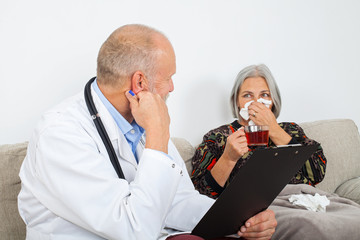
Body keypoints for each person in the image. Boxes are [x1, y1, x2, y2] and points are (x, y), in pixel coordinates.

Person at [18, 25, 276, 240]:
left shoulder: (142, 122)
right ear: (140, 83)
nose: (172, 87)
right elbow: (133, 229)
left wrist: (241, 221)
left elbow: (178, 201)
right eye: (169, 77)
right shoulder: (60, 134)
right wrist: (157, 134)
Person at [191, 64, 360, 239]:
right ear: (236, 101)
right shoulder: (218, 137)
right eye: (248, 95)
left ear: (273, 101)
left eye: (264, 95)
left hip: (309, 199)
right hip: (265, 209)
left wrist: (274, 129)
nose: (256, 102)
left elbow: (317, 171)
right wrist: (228, 158)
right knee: (315, 227)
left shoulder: (290, 130)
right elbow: (198, 196)